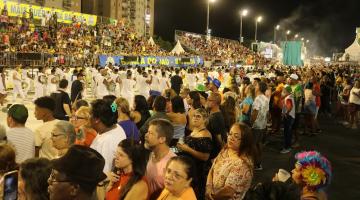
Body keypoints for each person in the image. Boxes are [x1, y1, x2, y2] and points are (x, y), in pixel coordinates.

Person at [206, 123, 255, 200]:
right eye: (230, 134)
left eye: (236, 136)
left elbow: (228, 192)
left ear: (245, 141)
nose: (231, 138)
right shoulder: (226, 149)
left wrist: (211, 197)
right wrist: (208, 187)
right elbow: (212, 168)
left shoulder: (242, 164)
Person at [176, 108, 212, 200]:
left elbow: (205, 157)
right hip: (188, 169)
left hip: (197, 172)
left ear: (204, 119)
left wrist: (187, 149)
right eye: (194, 116)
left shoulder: (205, 134)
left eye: (198, 116)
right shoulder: (194, 131)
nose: (195, 118)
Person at [90, 99, 126, 173]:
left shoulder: (107, 143)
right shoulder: (115, 126)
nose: (88, 117)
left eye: (90, 114)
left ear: (97, 119)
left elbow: (104, 174)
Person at [144, 119, 176, 199]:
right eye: (147, 132)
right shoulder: (151, 154)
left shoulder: (173, 164)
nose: (146, 135)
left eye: (150, 133)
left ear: (162, 139)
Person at [250, 81, 269, 170]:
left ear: (259, 88)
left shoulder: (257, 99)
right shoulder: (265, 98)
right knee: (259, 143)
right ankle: (259, 161)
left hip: (256, 125)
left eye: (256, 85)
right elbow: (267, 112)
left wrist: (251, 123)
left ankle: (256, 163)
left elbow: (255, 112)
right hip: (263, 124)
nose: (255, 86)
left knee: (253, 144)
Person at [206, 92, 226, 159]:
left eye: (209, 100)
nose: (207, 101)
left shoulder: (215, 117)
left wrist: (222, 151)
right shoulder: (213, 113)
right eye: (207, 99)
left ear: (215, 102)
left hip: (214, 149)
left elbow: (219, 137)